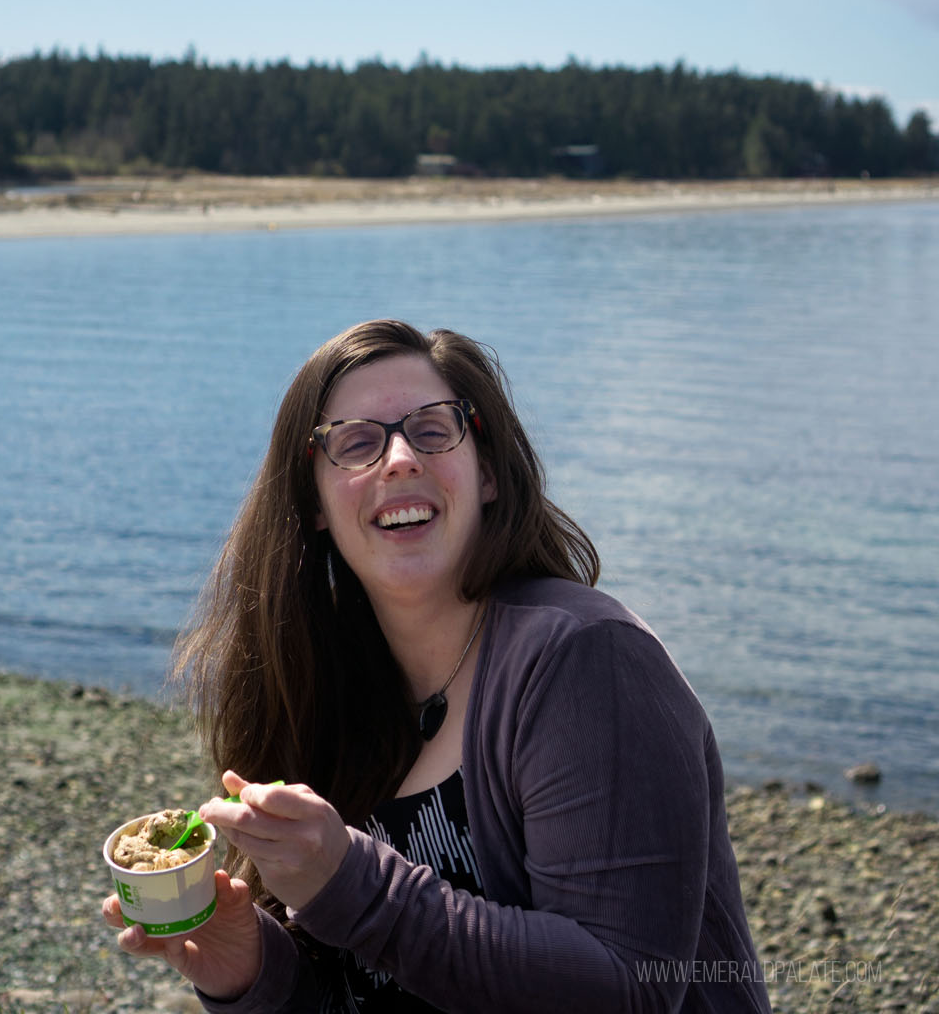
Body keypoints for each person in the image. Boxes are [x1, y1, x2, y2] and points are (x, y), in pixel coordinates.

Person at [103, 318, 770, 1013]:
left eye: (431, 429)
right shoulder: (324, 686)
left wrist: (353, 883)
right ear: (315, 503)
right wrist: (252, 970)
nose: (398, 459)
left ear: (487, 471)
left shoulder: (586, 661)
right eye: (357, 442)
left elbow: (625, 991)